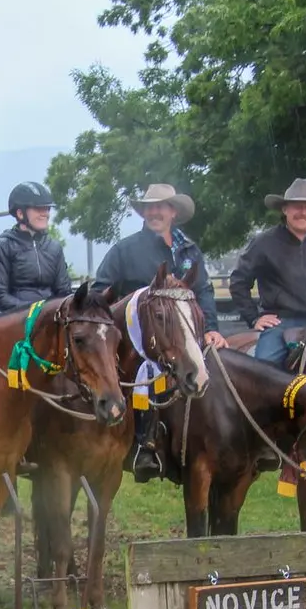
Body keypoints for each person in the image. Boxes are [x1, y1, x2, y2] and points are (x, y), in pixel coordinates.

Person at [93, 183, 224, 480]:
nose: (154, 212)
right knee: (146, 372)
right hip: (138, 342)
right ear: (143, 212)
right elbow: (101, 294)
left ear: (173, 212)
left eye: (161, 207)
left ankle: (208, 444)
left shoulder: (190, 250)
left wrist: (212, 329)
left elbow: (203, 290)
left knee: (216, 369)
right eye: (149, 207)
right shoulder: (124, 251)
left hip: (185, 336)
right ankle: (144, 446)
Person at [230, 178, 306, 368]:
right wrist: (254, 317)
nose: (303, 212)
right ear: (285, 209)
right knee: (263, 371)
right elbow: (239, 281)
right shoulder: (264, 242)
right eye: (297, 207)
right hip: (281, 323)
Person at [0, 181, 72, 314]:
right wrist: (35, 310)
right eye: (39, 209)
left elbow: (64, 291)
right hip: (16, 320)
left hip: (51, 318)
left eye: (47, 209)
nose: (46, 214)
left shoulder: (54, 247)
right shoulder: (2, 246)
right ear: (20, 213)